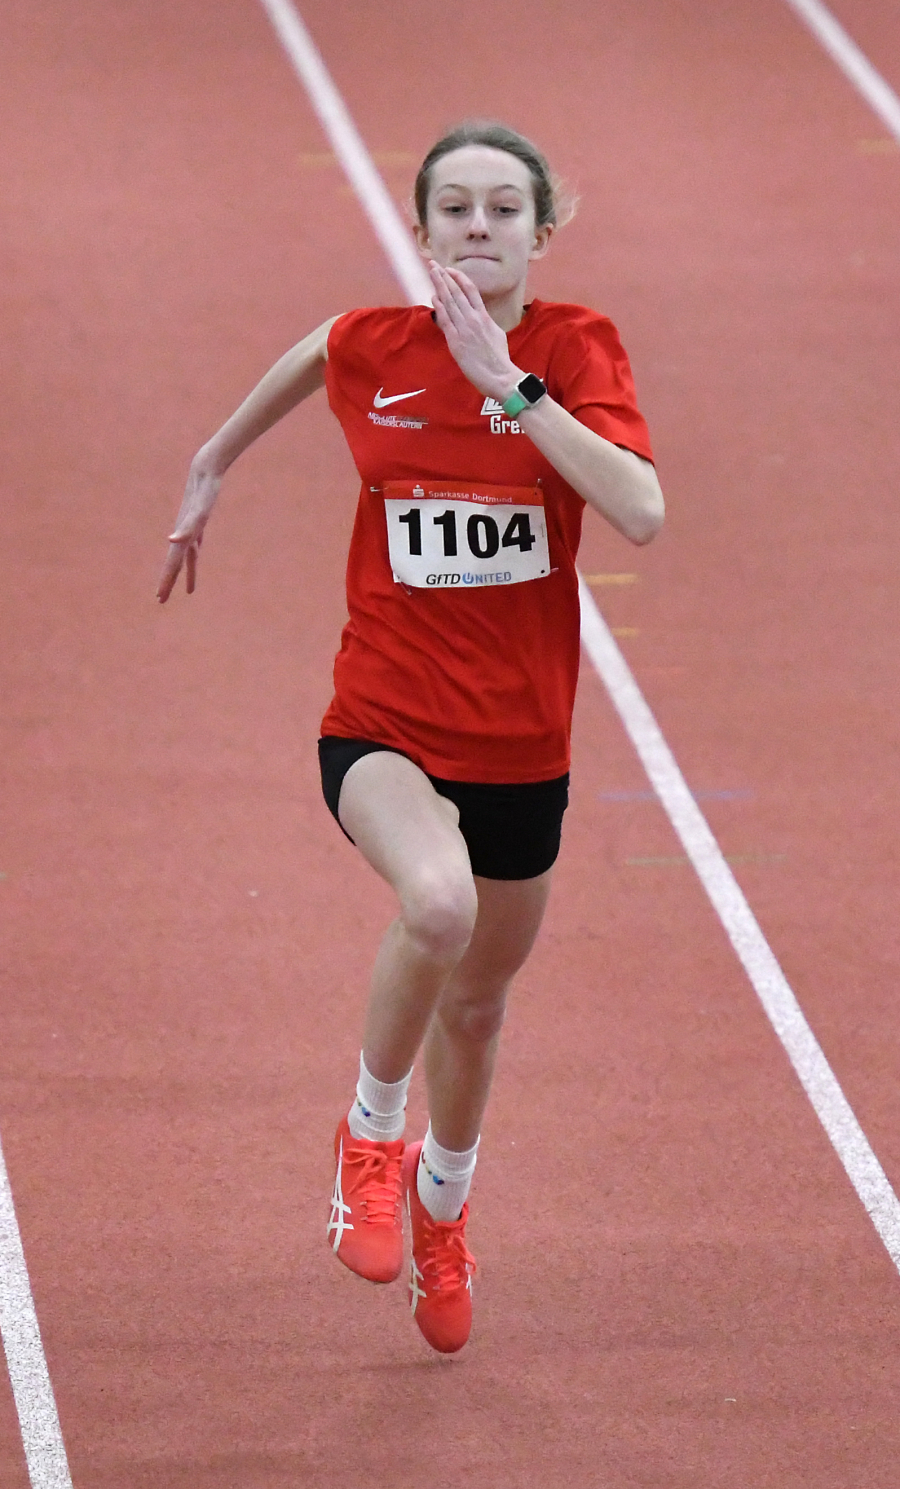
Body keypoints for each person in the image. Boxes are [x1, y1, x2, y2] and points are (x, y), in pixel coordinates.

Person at [158, 121, 664, 1354]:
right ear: (423, 228)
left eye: (503, 209)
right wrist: (213, 461)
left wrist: (512, 387)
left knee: (480, 1005)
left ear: (540, 232)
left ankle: (443, 1204)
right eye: (455, 209)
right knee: (435, 907)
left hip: (523, 747)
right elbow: (309, 353)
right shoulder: (373, 344)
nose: (478, 227)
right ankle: (369, 1135)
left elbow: (640, 510)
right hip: (381, 722)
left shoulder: (575, 349)